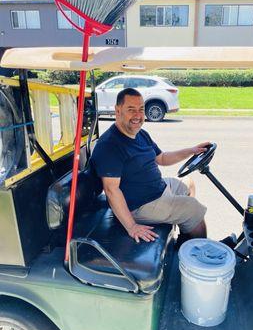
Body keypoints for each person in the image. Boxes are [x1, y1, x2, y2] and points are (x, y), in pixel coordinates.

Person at [90, 87, 210, 243]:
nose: (138, 115)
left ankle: (185, 238)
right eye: (131, 109)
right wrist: (132, 226)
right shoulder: (110, 145)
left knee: (189, 183)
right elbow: (111, 190)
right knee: (192, 209)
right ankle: (201, 253)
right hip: (141, 205)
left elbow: (162, 158)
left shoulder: (140, 134)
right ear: (117, 111)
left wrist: (191, 151)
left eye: (141, 109)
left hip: (158, 189)